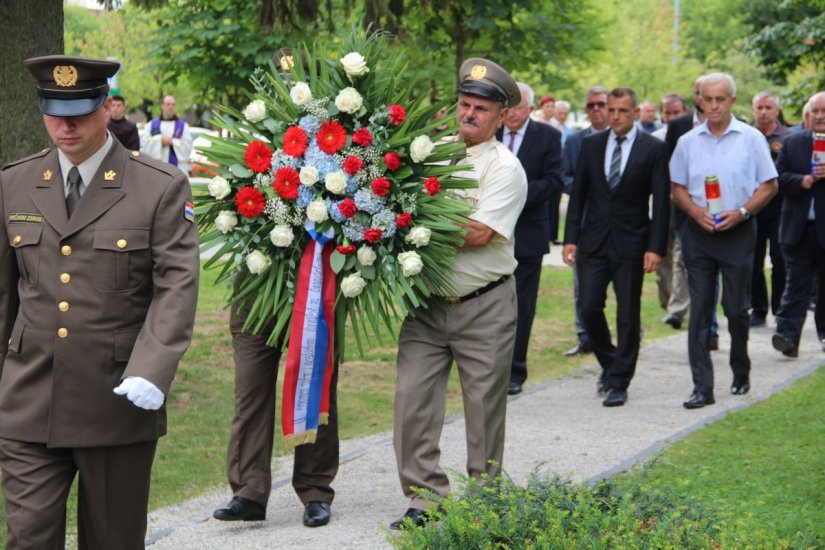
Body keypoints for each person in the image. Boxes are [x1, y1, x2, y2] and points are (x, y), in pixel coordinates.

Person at [0, 55, 199, 549]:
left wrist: (152, 370)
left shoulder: (157, 186)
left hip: (116, 400)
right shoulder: (14, 183)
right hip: (28, 398)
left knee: (113, 540)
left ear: (107, 107)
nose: (65, 126)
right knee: (28, 539)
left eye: (81, 111)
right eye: (53, 111)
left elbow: (176, 285)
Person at [391, 57, 527, 529]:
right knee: (411, 401)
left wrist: (413, 218)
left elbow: (477, 234)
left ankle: (485, 502)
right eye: (464, 104)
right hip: (426, 304)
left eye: (480, 108)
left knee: (483, 409)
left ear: (502, 115)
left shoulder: (505, 169)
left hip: (483, 306)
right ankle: (424, 498)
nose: (468, 114)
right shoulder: (433, 152)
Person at [212, 48, 339, 529]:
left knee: (316, 383)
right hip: (256, 288)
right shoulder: (251, 147)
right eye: (282, 88)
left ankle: (315, 490)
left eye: (297, 90)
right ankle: (248, 492)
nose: (289, 95)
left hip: (315, 288)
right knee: (249, 393)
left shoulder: (334, 145)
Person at [670, 73, 778, 409]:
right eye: (708, 99)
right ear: (699, 100)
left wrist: (743, 212)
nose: (714, 106)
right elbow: (677, 189)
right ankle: (702, 387)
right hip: (699, 235)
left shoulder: (751, 138)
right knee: (700, 311)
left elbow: (769, 185)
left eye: (721, 99)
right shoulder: (687, 141)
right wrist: (695, 211)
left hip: (738, 232)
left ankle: (740, 369)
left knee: (735, 309)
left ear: (732, 101)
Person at [562, 87, 669, 407]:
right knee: (589, 306)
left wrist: (655, 247)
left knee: (628, 314)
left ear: (635, 113)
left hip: (632, 242)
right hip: (593, 241)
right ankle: (610, 362)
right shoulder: (591, 144)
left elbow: (661, 203)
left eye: (623, 111)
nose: (616, 116)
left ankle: (620, 380)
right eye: (611, 110)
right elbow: (578, 195)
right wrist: (570, 238)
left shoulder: (653, 148)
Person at [496, 82, 563, 395]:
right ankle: (491, 367)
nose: (511, 114)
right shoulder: (491, 133)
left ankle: (515, 370)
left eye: (519, 108)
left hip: (528, 234)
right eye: (507, 107)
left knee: (521, 305)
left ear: (531, 109)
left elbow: (553, 182)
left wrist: (516, 193)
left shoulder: (548, 137)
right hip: (491, 234)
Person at [665, 76, 721, 351]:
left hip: (719, 211)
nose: (706, 99)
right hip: (685, 211)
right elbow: (668, 169)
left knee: (712, 271)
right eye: (701, 93)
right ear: (696, 97)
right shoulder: (678, 127)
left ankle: (709, 329)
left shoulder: (729, 128)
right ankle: (693, 323)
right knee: (688, 265)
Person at [772, 91, 825, 357]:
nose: (820, 116)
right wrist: (801, 181)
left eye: (824, 112)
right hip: (797, 229)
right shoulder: (793, 143)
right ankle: (788, 337)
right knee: (796, 285)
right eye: (815, 111)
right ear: (807, 115)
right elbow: (777, 179)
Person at [562, 86, 610, 357]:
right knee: (582, 285)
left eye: (601, 104)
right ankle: (585, 336)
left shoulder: (624, 139)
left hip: (617, 225)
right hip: (585, 221)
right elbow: (565, 176)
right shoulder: (575, 141)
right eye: (591, 105)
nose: (596, 110)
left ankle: (627, 333)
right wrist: (587, 188)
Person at [750, 91, 793, 327]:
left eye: (768, 107)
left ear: (777, 110)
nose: (764, 112)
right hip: (753, 206)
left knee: (779, 259)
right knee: (753, 260)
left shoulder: (787, 137)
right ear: (753, 109)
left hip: (780, 206)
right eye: (759, 107)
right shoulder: (745, 135)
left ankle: (779, 308)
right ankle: (758, 309)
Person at [653, 93, 690, 329]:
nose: (671, 117)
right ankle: (668, 303)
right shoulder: (655, 139)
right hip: (659, 207)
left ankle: (677, 309)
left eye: (676, 112)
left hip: (684, 206)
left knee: (681, 257)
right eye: (667, 112)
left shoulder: (692, 138)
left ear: (684, 112)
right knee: (662, 257)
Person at [140, 94, 194, 175]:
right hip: (156, 170)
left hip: (178, 169)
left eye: (173, 104)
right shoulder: (151, 125)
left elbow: (188, 148)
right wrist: (160, 140)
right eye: (168, 104)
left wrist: (172, 142)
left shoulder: (183, 126)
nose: (171, 107)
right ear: (162, 105)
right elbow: (144, 147)